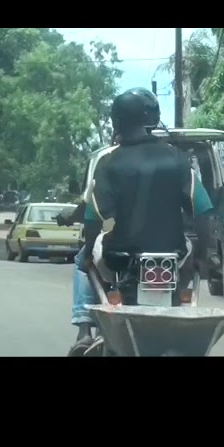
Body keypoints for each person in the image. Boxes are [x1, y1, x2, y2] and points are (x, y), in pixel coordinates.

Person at [92, 87, 212, 304]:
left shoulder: (107, 163)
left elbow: (95, 216)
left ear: (116, 122)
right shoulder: (178, 159)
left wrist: (86, 254)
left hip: (119, 254)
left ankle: (87, 323)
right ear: (149, 120)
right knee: (189, 255)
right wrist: (204, 254)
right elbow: (203, 212)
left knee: (88, 263)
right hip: (173, 251)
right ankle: (179, 299)